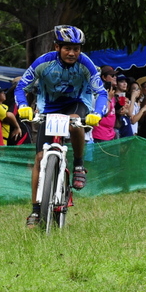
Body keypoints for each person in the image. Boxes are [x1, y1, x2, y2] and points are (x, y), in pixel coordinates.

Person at [14, 25, 106, 228]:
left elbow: (101, 92)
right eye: (67, 48)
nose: (72, 53)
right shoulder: (43, 62)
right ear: (57, 47)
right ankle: (35, 210)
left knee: (73, 121)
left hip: (77, 103)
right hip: (49, 108)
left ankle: (79, 165)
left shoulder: (86, 64)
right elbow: (21, 87)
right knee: (40, 158)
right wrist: (22, 106)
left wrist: (98, 113)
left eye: (76, 49)